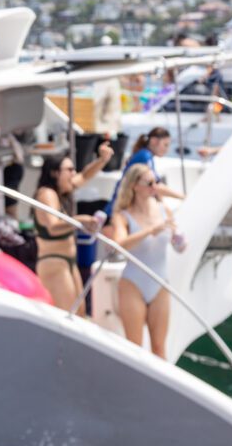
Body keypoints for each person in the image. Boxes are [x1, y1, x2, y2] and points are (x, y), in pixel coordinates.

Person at [33, 147, 113, 314]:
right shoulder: (47, 194)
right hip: (54, 263)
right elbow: (53, 227)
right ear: (55, 173)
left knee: (80, 313)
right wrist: (80, 221)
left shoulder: (62, 190)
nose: (73, 173)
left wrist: (102, 160)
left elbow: (84, 176)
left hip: (67, 262)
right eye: (69, 170)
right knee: (69, 316)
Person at [110, 163, 177, 359]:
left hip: (160, 283)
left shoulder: (164, 210)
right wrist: (149, 231)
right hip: (133, 284)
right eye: (149, 182)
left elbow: (177, 241)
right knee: (134, 348)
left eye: (157, 181)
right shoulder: (122, 216)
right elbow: (118, 244)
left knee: (159, 347)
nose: (155, 186)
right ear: (134, 186)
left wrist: (179, 240)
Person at [105, 127, 184, 217]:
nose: (167, 149)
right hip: (118, 211)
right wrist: (183, 197)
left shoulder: (144, 155)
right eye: (165, 145)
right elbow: (155, 186)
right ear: (154, 141)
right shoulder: (145, 157)